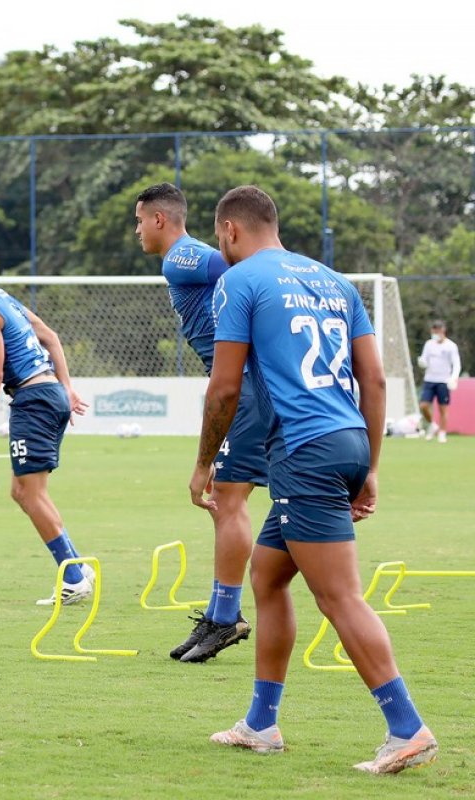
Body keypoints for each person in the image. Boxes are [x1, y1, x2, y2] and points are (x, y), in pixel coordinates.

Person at [191, 186, 437, 774]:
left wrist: (206, 462)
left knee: (338, 596)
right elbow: (373, 380)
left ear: (229, 232)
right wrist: (370, 466)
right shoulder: (336, 282)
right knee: (269, 575)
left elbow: (225, 387)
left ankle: (408, 728)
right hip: (346, 440)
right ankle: (261, 723)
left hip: (304, 453)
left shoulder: (240, 281)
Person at [136, 182, 266, 662]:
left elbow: (240, 264)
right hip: (249, 383)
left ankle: (228, 616)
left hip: (244, 386)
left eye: (139, 220)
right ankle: (219, 613)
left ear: (159, 220)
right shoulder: (184, 260)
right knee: (231, 500)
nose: (137, 230)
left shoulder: (180, 257)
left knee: (228, 502)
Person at [0, 245, 93, 605]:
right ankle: (76, 566)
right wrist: (66, 387)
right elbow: (50, 337)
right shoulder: (2, 297)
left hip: (34, 399)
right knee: (22, 491)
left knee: (30, 493)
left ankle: (73, 577)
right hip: (48, 392)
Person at [417, 320, 461, 443]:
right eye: (434, 331)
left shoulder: (451, 346)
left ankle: (442, 432)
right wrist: (422, 362)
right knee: (424, 405)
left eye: (438, 331)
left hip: (443, 381)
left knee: (443, 408)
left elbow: (456, 364)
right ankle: (432, 425)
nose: (435, 333)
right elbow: (424, 359)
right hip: (429, 380)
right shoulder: (429, 344)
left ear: (443, 331)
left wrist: (454, 377)